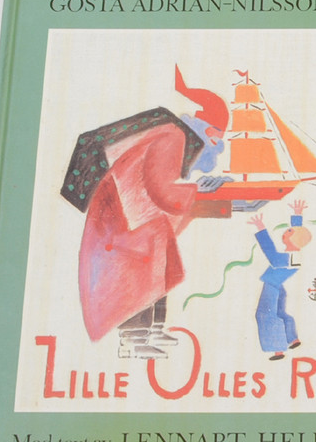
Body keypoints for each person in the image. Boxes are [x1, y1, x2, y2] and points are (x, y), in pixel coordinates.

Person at [60, 66, 230, 358]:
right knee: (138, 279)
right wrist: (197, 191)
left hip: (136, 220)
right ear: (203, 127)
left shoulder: (171, 134)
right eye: (216, 138)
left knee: (160, 269)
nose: (216, 147)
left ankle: (152, 330)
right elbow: (160, 190)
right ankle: (133, 340)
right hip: (124, 225)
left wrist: (196, 192)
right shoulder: (173, 137)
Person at [249, 200, 312, 359]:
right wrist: (297, 215)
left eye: (288, 232)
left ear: (293, 239)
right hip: (278, 286)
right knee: (279, 312)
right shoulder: (295, 255)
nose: (285, 233)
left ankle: (278, 349)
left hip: (272, 286)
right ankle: (293, 339)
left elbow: (271, 254)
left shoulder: (288, 258)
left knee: (265, 315)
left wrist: (261, 229)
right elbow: (298, 234)